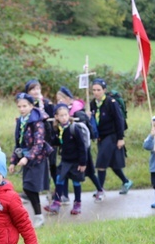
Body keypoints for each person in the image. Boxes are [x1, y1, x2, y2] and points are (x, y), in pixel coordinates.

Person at [9, 93, 52, 228]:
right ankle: (39, 216)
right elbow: (18, 144)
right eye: (19, 106)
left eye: (25, 106)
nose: (22, 109)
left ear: (31, 106)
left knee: (30, 187)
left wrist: (27, 158)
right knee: (28, 188)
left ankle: (39, 217)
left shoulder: (37, 122)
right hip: (25, 158)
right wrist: (13, 161)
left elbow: (39, 144)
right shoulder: (20, 121)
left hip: (37, 159)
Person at [56, 86, 105, 202]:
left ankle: (99, 189)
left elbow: (82, 121)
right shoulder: (62, 112)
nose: (59, 102)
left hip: (81, 149)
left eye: (61, 100)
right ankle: (65, 196)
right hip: (69, 152)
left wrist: (79, 117)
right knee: (65, 174)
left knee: (89, 171)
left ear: (68, 98)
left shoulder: (77, 110)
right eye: (58, 100)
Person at [89, 78, 133, 194]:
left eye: (98, 90)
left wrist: (120, 138)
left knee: (101, 162)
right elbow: (94, 121)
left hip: (112, 135)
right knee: (113, 163)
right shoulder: (92, 104)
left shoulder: (111, 103)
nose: (96, 92)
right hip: (101, 136)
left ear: (104, 90)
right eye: (94, 90)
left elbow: (119, 120)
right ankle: (126, 181)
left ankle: (100, 189)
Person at [44, 104, 87, 215]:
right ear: (56, 117)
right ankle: (56, 203)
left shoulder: (74, 128)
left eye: (66, 115)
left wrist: (83, 162)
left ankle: (77, 203)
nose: (64, 118)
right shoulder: (58, 129)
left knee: (76, 182)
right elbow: (57, 142)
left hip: (76, 161)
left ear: (69, 115)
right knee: (59, 179)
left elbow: (82, 146)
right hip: (65, 160)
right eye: (61, 116)